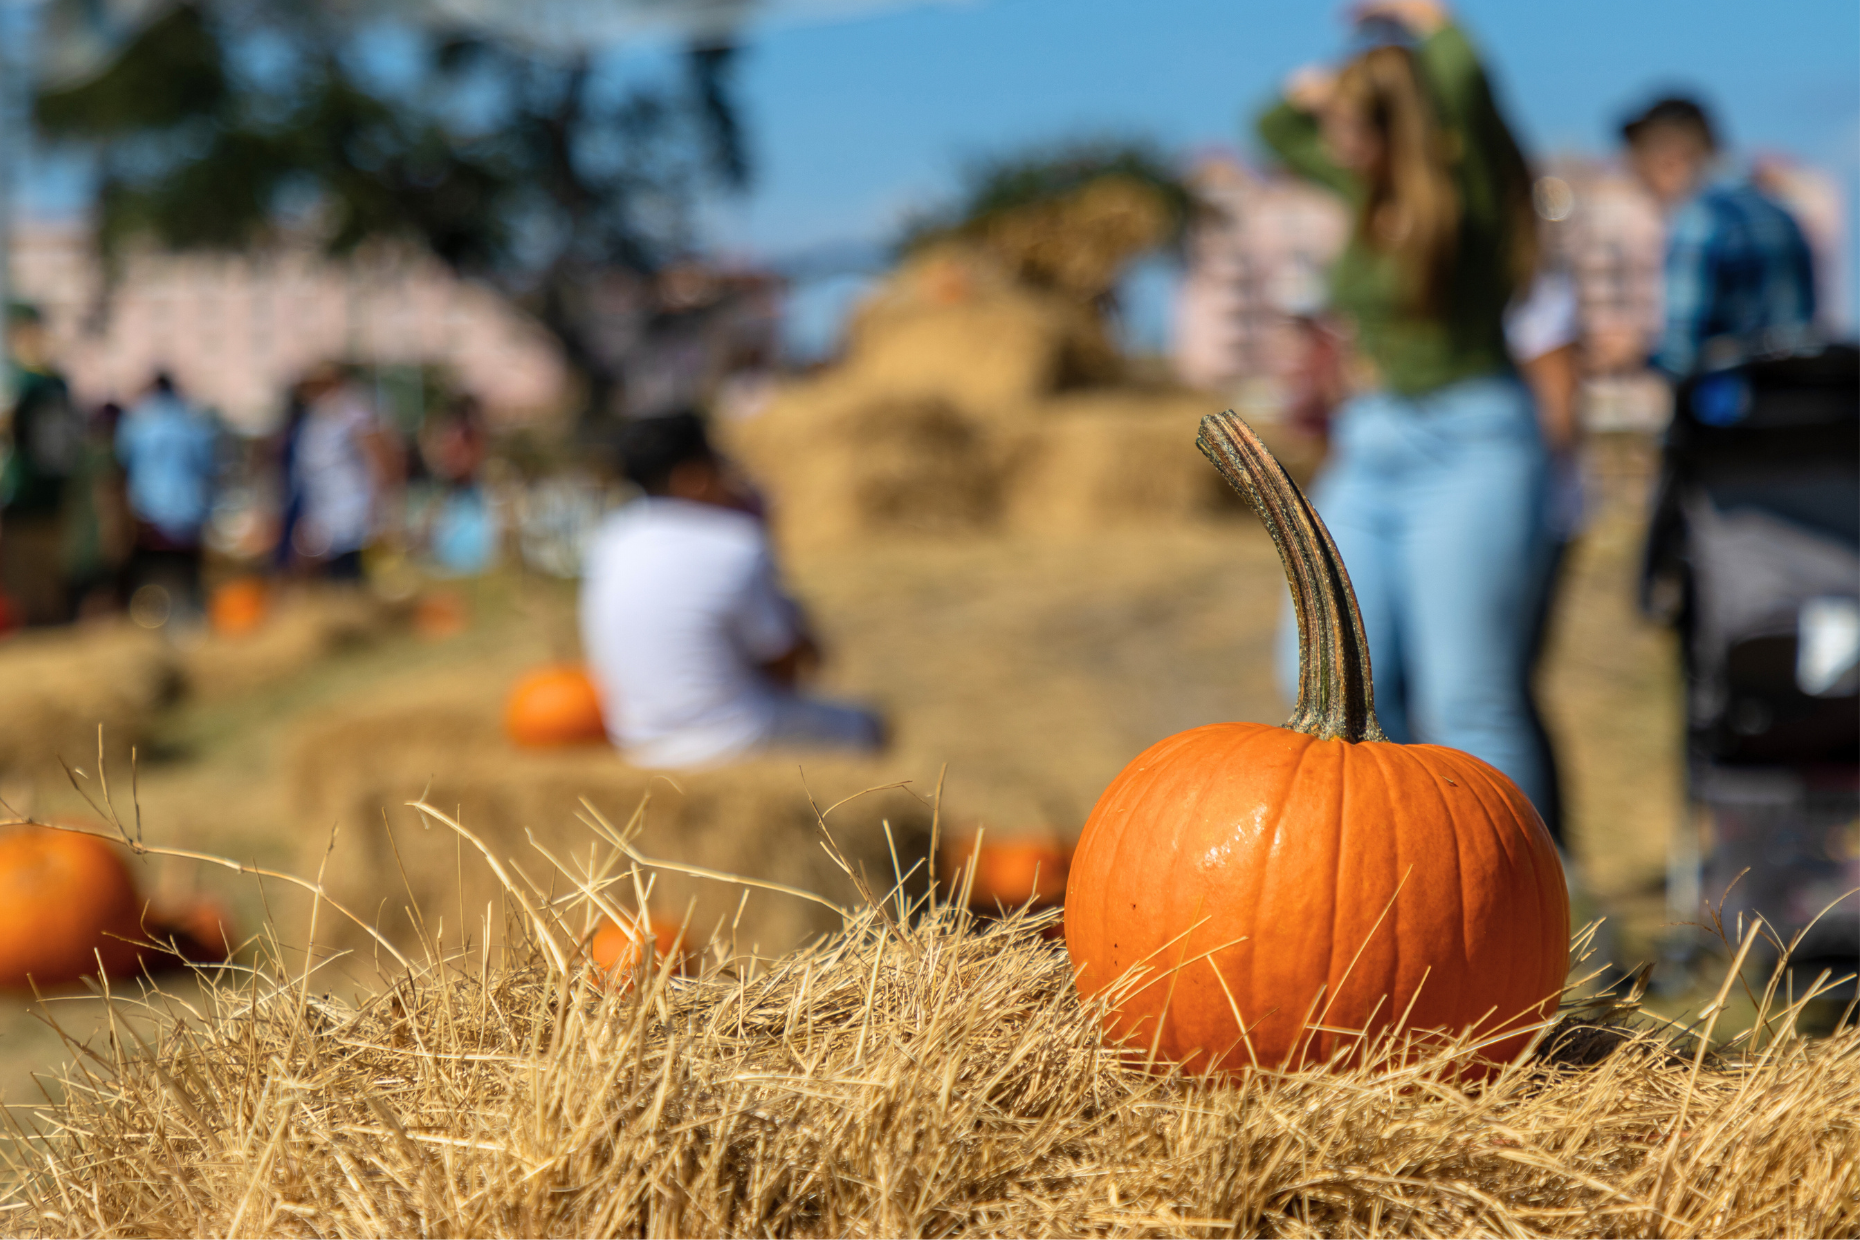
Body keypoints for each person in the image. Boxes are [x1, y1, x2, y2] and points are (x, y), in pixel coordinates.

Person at [1257, 0, 1556, 817]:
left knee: (1469, 699)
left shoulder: (1470, 201)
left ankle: (1520, 908)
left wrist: (1418, 14)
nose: (1337, 143)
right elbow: (1273, 127)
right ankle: (1369, 890)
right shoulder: (1360, 194)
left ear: (1401, 128)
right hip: (1371, 446)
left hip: (1474, 443)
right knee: (1320, 685)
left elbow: (1463, 82)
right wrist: (1320, 92)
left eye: (1357, 126)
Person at [580, 411, 885, 768]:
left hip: (639, 745)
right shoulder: (736, 542)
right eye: (720, 465)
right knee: (869, 727)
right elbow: (789, 669)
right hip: (734, 739)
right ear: (693, 479)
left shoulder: (610, 542)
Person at [1620, 96, 1817, 384]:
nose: (1644, 191)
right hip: (1795, 402)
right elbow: (1803, 325)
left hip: (1731, 410)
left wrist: (1633, 357)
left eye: (1642, 174)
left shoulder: (1697, 220)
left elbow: (1679, 357)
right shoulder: (1781, 212)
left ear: (1670, 160)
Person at [0, 304, 83, 625]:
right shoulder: (59, 384)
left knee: (26, 591)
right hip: (55, 499)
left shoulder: (22, 383)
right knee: (49, 588)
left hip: (25, 498)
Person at [116, 372, 218, 624]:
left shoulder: (138, 421)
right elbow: (207, 466)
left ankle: (150, 620)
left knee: (150, 578)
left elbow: (122, 464)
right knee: (186, 577)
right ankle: (189, 621)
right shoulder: (192, 420)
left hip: (150, 512)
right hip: (188, 511)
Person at [290, 365, 397, 581]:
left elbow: (376, 454)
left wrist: (379, 502)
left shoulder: (352, 409)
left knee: (350, 571)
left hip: (351, 506)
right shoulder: (317, 414)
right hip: (323, 508)